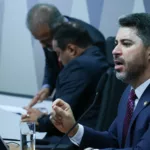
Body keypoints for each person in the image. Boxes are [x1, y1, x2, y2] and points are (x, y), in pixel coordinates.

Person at [50, 13, 150, 149]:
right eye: (116, 44)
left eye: (126, 44)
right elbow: (114, 140)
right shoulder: (130, 93)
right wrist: (74, 129)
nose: (115, 51)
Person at [22, 22, 108, 143]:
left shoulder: (78, 67)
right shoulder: (99, 59)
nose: (58, 59)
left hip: (71, 141)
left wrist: (39, 119)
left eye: (58, 53)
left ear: (71, 49)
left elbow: (60, 118)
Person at [26, 3, 106, 108]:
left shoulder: (94, 40)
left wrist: (46, 119)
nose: (43, 45)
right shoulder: (47, 37)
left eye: (45, 40)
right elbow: (51, 63)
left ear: (59, 28)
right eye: (39, 41)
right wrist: (47, 86)